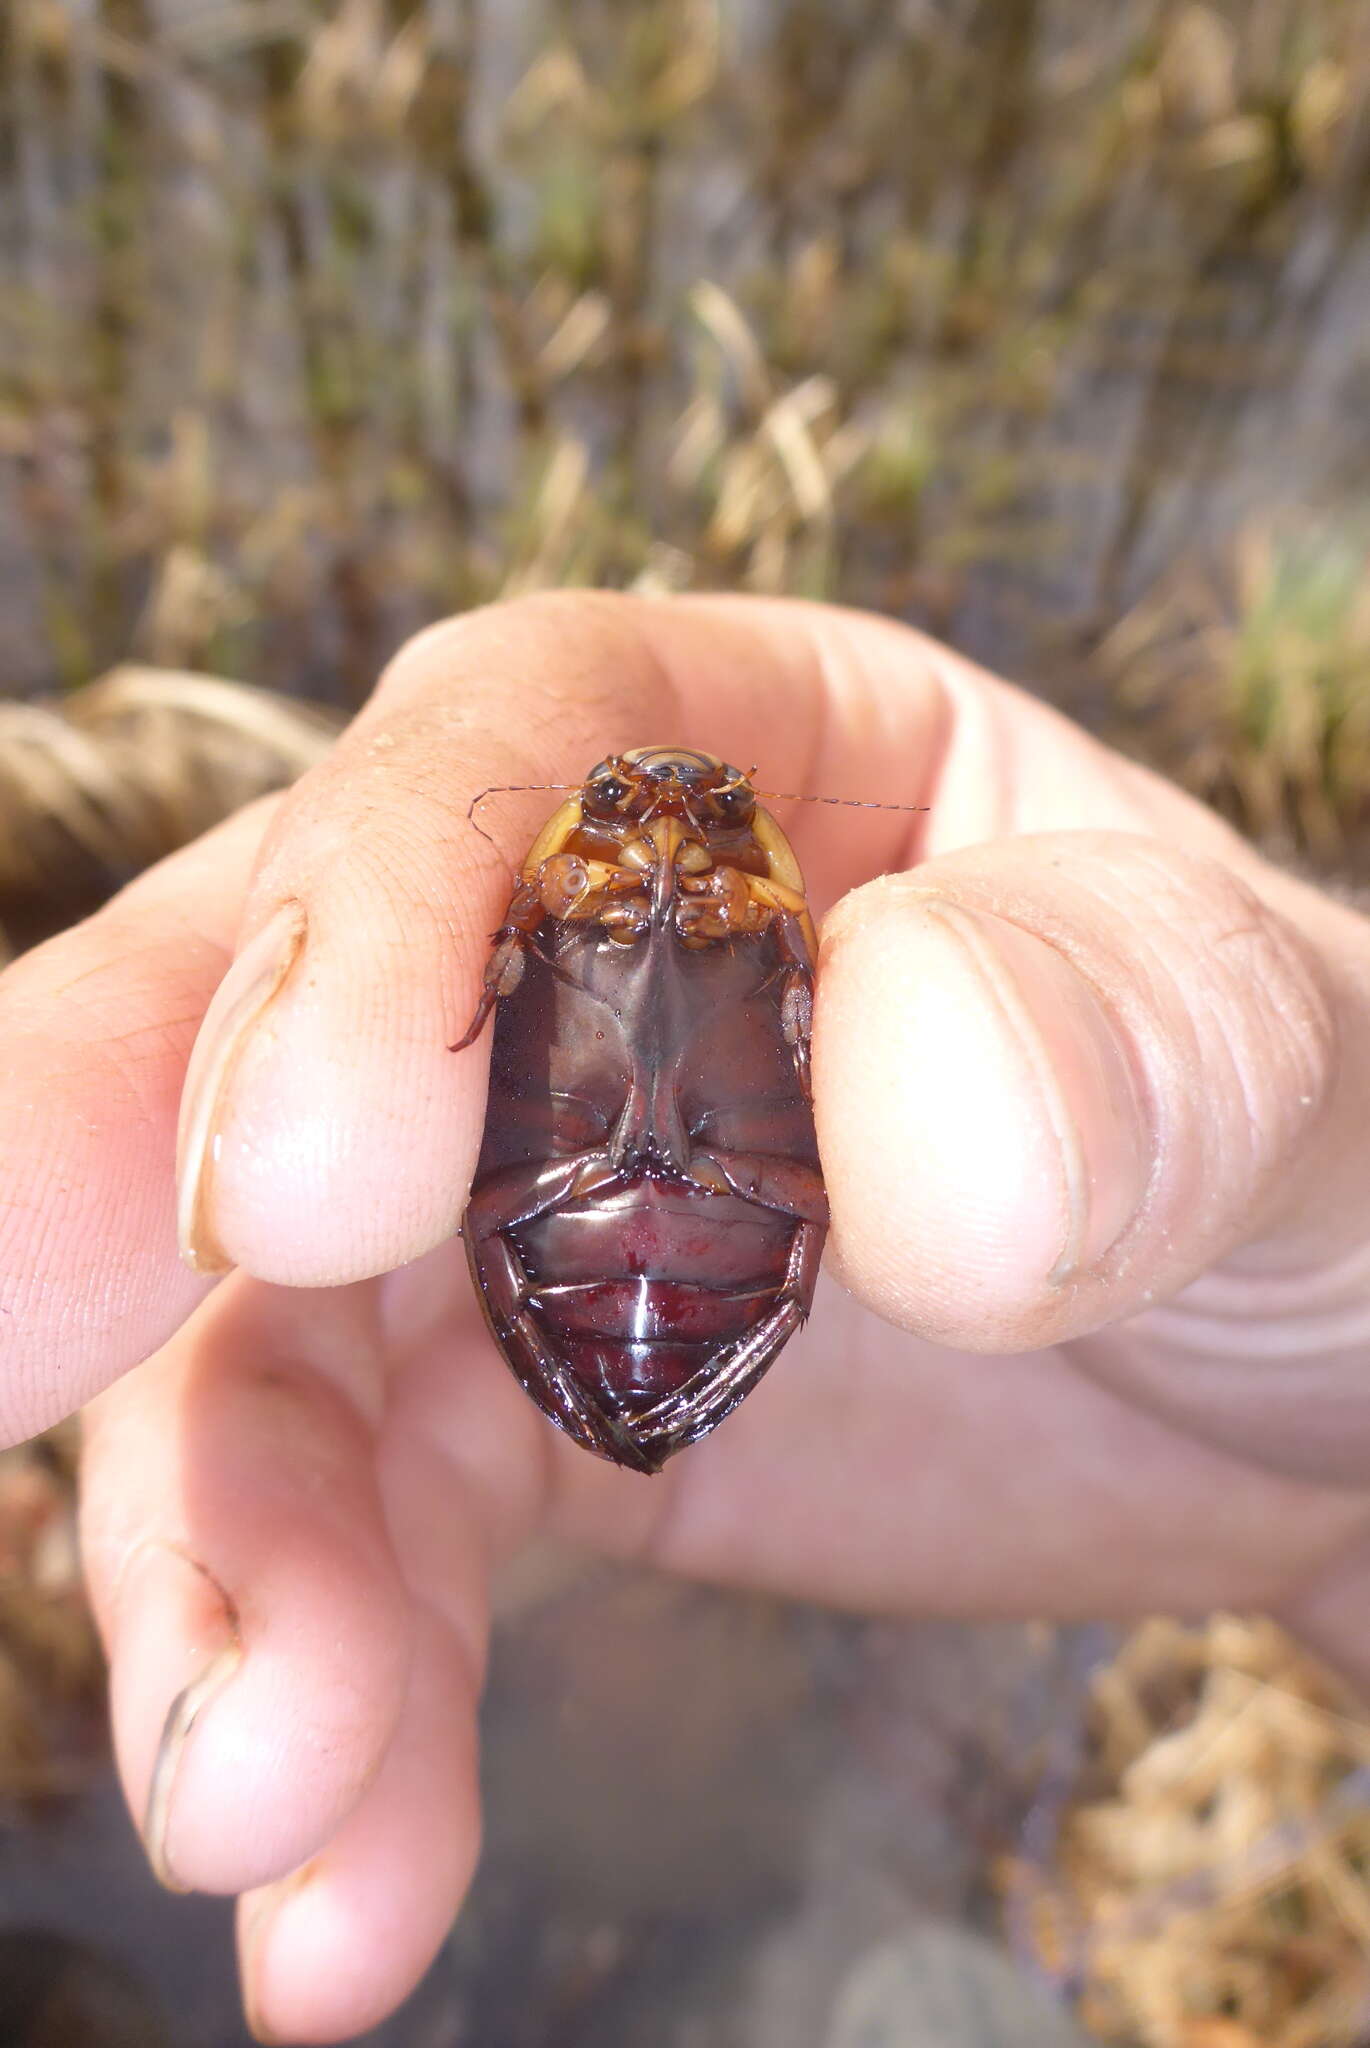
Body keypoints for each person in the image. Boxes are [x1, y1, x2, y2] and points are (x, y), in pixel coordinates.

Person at [3, 592, 1368, 2043]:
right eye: (624, 801)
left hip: (631, 1216)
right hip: (646, 1229)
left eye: (708, 807)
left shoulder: (721, 905)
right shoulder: (616, 910)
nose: (664, 821)